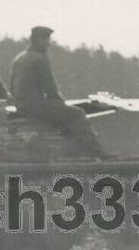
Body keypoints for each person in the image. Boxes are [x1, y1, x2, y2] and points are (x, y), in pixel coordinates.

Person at [10, 26, 107, 157]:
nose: (48, 44)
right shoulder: (40, 59)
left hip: (21, 107)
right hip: (36, 107)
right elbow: (51, 90)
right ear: (38, 40)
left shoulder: (19, 59)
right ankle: (94, 153)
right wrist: (62, 104)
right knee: (78, 114)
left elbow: (12, 87)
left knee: (64, 114)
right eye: (46, 40)